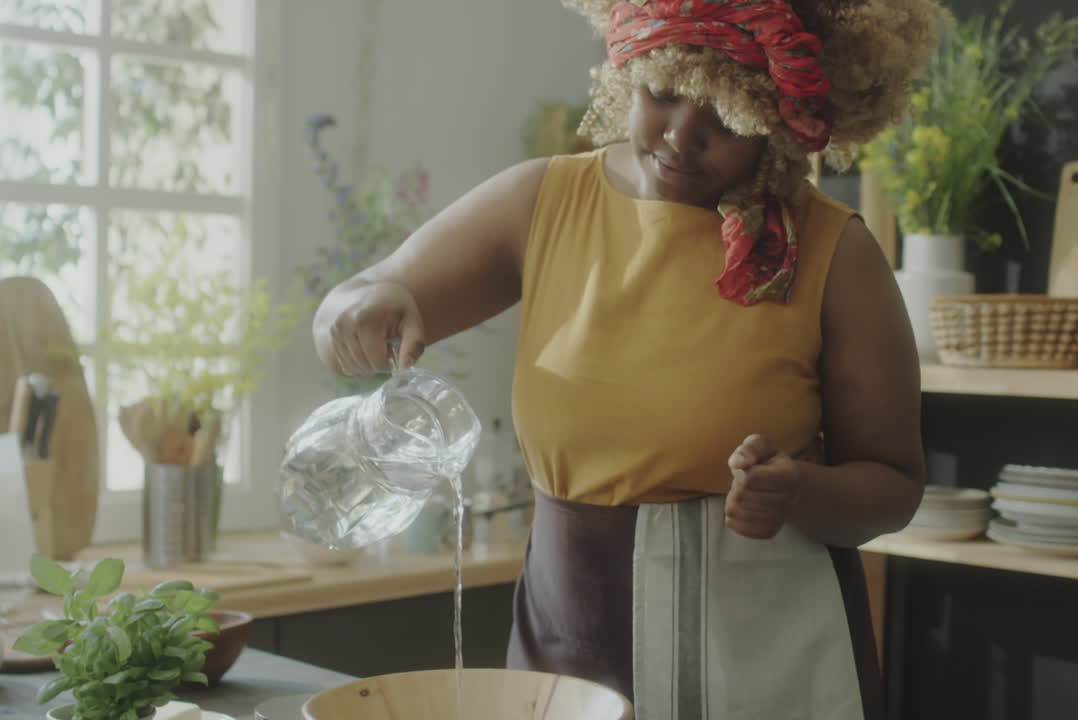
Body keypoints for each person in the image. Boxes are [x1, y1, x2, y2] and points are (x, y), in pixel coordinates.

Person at [313, 1, 944, 717]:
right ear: (628, 73)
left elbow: (896, 484)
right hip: (568, 648)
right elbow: (366, 292)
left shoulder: (837, 253)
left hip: (767, 664)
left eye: (727, 118)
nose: (681, 135)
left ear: (779, 119)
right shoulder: (542, 202)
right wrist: (352, 313)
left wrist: (801, 492)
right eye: (663, 93)